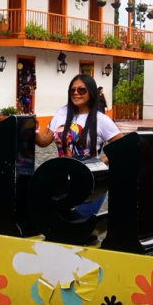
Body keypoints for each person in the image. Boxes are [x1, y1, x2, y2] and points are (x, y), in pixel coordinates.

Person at [35, 74, 123, 217]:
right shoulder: (62, 113)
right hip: (61, 181)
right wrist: (33, 129)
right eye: (72, 90)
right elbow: (44, 141)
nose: (76, 93)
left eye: (82, 90)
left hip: (89, 181)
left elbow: (122, 147)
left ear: (91, 92)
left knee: (79, 221)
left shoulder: (101, 120)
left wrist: (100, 162)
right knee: (59, 221)